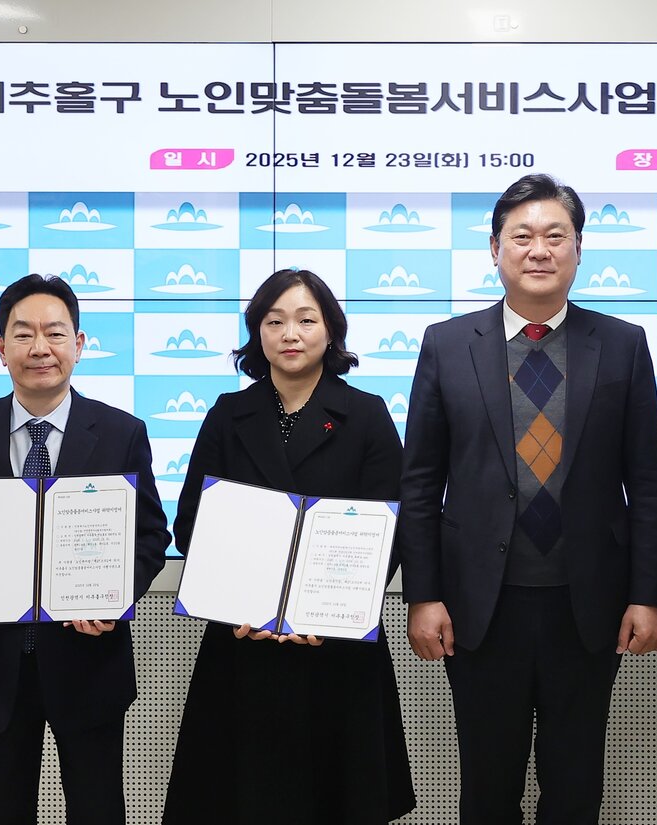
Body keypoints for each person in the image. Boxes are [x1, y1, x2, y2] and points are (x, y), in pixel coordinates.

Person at [397, 173, 657, 824]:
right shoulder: (446, 344)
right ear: (495, 249)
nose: (539, 249)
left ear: (579, 249)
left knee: (575, 787)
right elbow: (420, 482)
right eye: (522, 236)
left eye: (556, 235)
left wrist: (650, 594)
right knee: (487, 788)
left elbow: (648, 480)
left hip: (588, 602)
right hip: (479, 605)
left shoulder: (622, 344)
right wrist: (422, 594)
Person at [0, 273, 171, 825]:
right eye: (23, 334)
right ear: (1, 348)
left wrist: (115, 596)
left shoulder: (121, 433)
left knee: (98, 812)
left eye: (55, 332)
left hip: (90, 663)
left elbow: (150, 536)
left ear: (79, 343)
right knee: (2, 813)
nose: (40, 348)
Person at [161, 269, 415, 824]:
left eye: (306, 319)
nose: (290, 334)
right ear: (258, 333)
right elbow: (192, 525)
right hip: (242, 641)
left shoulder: (367, 415)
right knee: (241, 801)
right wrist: (236, 601)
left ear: (331, 330)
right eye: (274, 322)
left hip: (336, 645)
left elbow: (392, 530)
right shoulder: (228, 414)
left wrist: (326, 610)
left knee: (336, 800)